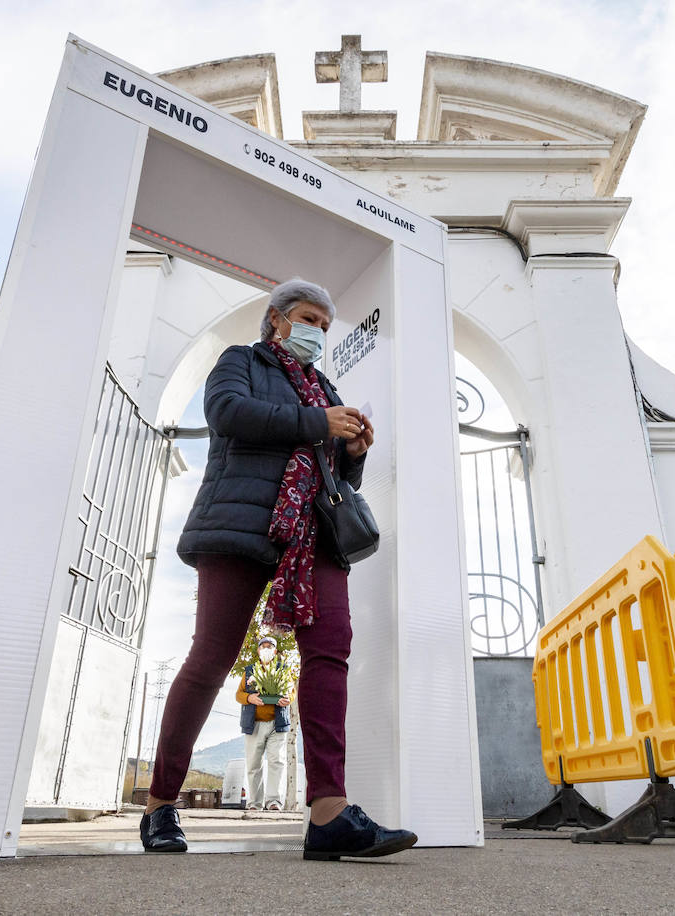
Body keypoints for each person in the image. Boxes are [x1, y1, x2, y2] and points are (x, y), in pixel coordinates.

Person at [140, 278, 417, 861]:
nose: (316, 329)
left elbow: (333, 480)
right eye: (307, 317)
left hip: (314, 534)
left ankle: (329, 813)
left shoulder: (328, 388)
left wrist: (352, 453)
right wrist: (321, 425)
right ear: (277, 319)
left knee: (330, 650)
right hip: (242, 523)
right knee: (212, 656)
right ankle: (161, 803)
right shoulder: (239, 361)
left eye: (324, 323)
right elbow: (228, 413)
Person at [238, 635, 292, 811]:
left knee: (277, 761)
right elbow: (238, 695)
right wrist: (249, 697)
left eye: (270, 646)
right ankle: (255, 803)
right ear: (258, 650)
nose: (266, 649)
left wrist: (287, 699)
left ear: (275, 651)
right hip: (254, 725)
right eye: (263, 646)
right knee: (254, 764)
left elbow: (292, 692)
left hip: (277, 724)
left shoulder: (283, 670)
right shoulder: (249, 671)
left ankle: (274, 801)